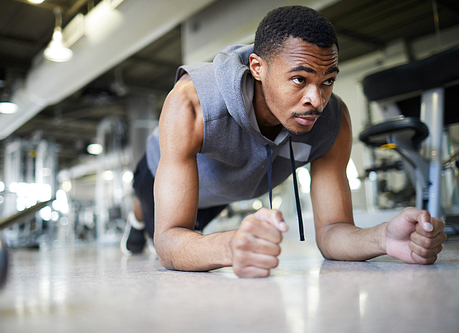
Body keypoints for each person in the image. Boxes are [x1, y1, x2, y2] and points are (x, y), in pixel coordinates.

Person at [122, 5, 447, 278]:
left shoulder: (331, 121)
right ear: (257, 68)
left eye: (328, 81)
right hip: (158, 174)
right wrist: (228, 246)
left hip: (227, 188)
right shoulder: (190, 103)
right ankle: (137, 218)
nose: (316, 100)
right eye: (299, 79)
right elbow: (169, 243)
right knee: (158, 241)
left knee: (198, 238)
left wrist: (382, 237)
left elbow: (333, 230)